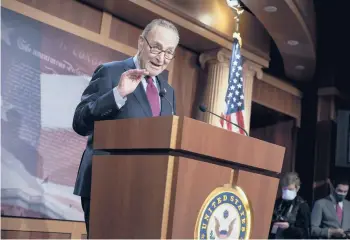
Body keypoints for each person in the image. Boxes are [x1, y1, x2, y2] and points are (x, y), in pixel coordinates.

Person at [72, 19, 179, 237]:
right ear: (141, 42)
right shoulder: (111, 73)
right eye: (156, 48)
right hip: (106, 185)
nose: (161, 58)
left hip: (147, 192)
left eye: (169, 52)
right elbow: (80, 122)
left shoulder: (168, 92)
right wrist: (117, 94)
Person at [269, 172, 310, 239]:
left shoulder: (302, 206)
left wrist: (289, 227)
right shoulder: (277, 203)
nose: (287, 192)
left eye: (290, 189)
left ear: (297, 188)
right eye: (285, 189)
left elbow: (305, 233)